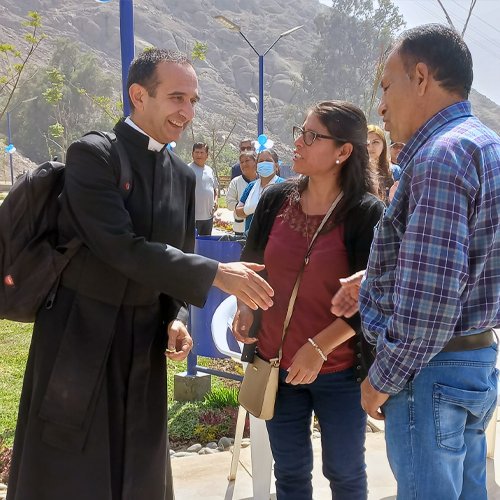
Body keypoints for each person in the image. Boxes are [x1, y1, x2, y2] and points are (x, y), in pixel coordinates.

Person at [6, 49, 274, 500]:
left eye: (192, 100)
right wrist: (216, 274)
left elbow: (178, 257)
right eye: (176, 98)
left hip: (143, 344)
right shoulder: (93, 155)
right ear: (138, 95)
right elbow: (120, 247)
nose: (187, 112)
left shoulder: (182, 176)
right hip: (80, 336)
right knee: (70, 471)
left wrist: (176, 318)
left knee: (139, 469)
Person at [333, 24, 500, 499]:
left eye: (387, 87)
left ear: (421, 77)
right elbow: (468, 263)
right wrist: (377, 279)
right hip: (472, 362)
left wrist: (381, 379)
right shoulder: (485, 145)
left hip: (430, 371)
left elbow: (431, 302)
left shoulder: (440, 157)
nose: (381, 106)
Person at [232, 101, 384, 500]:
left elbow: (372, 298)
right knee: (290, 474)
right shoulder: (275, 199)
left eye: (312, 136)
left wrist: (318, 348)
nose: (298, 142)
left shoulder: (366, 213)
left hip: (339, 372)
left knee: (345, 474)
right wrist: (245, 307)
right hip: (275, 366)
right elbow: (252, 265)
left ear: (343, 151)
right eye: (301, 131)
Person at [235, 148, 285, 233]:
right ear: (257, 166)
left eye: (268, 161)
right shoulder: (251, 186)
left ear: (276, 166)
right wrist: (249, 209)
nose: (264, 163)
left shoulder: (284, 185)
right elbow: (238, 212)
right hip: (251, 236)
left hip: (274, 235)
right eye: (261, 161)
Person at [188, 142, 218, 235]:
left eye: (202, 152)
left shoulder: (210, 170)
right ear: (192, 154)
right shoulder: (187, 169)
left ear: (207, 155)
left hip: (208, 217)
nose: (199, 155)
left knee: (206, 241)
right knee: (192, 243)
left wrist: (216, 201)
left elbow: (215, 188)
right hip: (192, 218)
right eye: (196, 152)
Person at [226, 151, 258, 235]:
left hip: (258, 228)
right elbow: (229, 203)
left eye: (247, 161)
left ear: (255, 162)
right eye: (241, 162)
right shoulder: (235, 182)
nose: (244, 164)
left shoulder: (262, 180)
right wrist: (243, 210)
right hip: (240, 228)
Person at [367, 124, 396, 203]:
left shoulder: (394, 171)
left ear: (383, 145)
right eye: (367, 143)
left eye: (375, 142)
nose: (370, 147)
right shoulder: (356, 172)